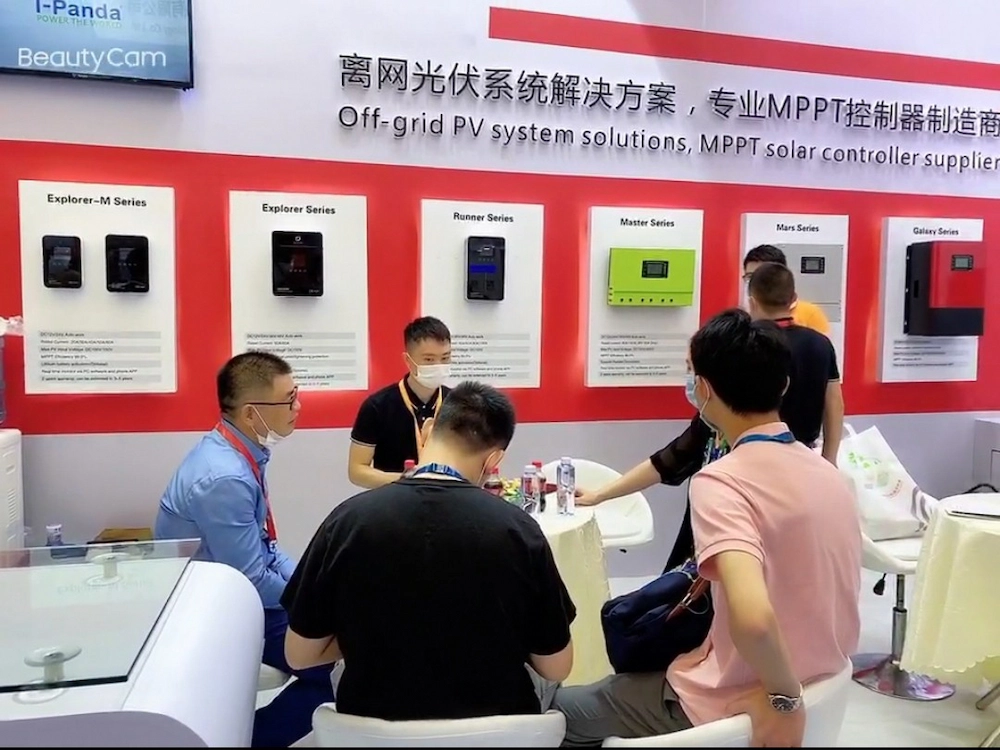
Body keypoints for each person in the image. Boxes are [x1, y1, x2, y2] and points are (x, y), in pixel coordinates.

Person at [552, 309, 862, 747]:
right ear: (784, 385)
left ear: (703, 388)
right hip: (822, 682)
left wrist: (784, 700)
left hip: (734, 696)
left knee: (557, 714)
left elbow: (754, 620)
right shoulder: (828, 474)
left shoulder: (723, 481)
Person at [282, 381, 577, 721]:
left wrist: (368, 634)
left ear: (427, 430)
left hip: (371, 727)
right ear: (494, 459)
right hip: (493, 728)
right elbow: (557, 666)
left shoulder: (348, 521)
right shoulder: (519, 530)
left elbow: (299, 654)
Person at [154, 351, 334, 748]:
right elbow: (251, 579)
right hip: (214, 609)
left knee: (338, 638)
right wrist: (312, 601)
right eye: (289, 399)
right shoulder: (225, 478)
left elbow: (267, 549)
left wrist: (312, 585)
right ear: (253, 414)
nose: (298, 407)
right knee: (338, 668)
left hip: (237, 592)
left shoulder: (238, 451)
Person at [748, 262, 844, 463]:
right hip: (805, 453)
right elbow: (834, 402)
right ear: (793, 300)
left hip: (755, 454)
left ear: (752, 302)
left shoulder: (747, 344)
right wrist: (829, 458)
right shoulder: (820, 343)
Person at [348, 316, 453, 489]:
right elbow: (357, 471)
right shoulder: (377, 406)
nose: (438, 365)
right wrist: (411, 480)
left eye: (445, 358)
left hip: (448, 498)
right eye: (429, 359)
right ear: (408, 361)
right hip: (394, 499)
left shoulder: (459, 405)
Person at [743, 244, 831, 335]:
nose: (754, 282)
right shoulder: (741, 316)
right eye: (750, 276)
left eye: (763, 277)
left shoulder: (810, 314)